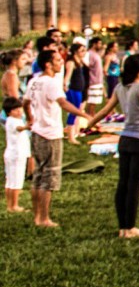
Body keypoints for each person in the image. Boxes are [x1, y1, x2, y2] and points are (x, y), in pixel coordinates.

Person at [85, 54, 139, 238]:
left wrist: (90, 123)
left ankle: (123, 228)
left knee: (123, 184)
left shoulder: (120, 88)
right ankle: (130, 228)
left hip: (125, 141)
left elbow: (106, 110)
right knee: (133, 186)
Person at [24, 49, 90, 227]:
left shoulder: (34, 81)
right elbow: (63, 103)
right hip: (50, 134)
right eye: (57, 60)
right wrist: (82, 114)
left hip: (37, 132)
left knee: (38, 175)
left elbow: (25, 102)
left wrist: (30, 119)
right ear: (48, 64)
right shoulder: (52, 82)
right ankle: (44, 218)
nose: (61, 62)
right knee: (49, 176)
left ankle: (37, 216)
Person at [4, 97, 31, 213]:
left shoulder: (15, 120)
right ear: (9, 112)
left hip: (12, 153)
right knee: (16, 180)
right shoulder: (12, 121)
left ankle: (10, 205)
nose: (19, 111)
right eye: (15, 109)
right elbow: (19, 129)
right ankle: (14, 205)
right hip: (16, 154)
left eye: (20, 108)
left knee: (10, 180)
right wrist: (27, 126)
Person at [62, 42, 87, 144]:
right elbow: (67, 77)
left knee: (76, 112)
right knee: (74, 112)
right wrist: (65, 86)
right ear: (75, 52)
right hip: (73, 90)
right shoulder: (71, 62)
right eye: (81, 51)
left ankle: (73, 132)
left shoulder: (79, 62)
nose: (84, 53)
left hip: (79, 89)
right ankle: (71, 137)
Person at [83, 37, 105, 115]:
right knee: (92, 102)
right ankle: (90, 118)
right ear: (94, 44)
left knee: (95, 102)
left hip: (98, 80)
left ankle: (92, 117)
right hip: (93, 81)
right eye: (99, 44)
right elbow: (86, 65)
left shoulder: (95, 54)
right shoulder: (89, 54)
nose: (100, 45)